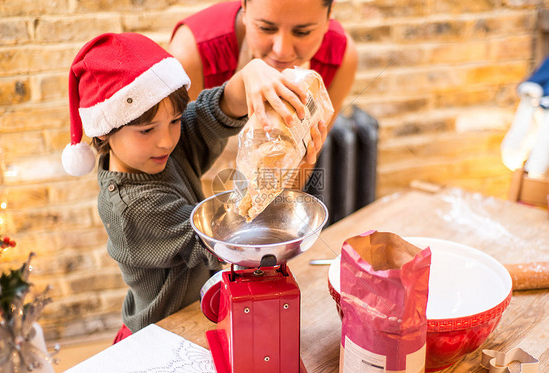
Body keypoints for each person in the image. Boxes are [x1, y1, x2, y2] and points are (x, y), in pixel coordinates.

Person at [61, 32, 327, 342]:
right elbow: (221, 242)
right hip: (162, 333)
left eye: (174, 121)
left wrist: (252, 76)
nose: (167, 140)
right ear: (105, 132)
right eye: (147, 130)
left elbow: (218, 109)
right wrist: (277, 171)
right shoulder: (130, 208)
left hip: (201, 312)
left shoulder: (159, 148)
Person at [168, 0, 357, 188]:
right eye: (266, 28)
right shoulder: (193, 52)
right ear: (244, 6)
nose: (281, 50)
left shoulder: (340, 57)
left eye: (302, 32)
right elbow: (178, 160)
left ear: (330, 13)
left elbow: (303, 165)